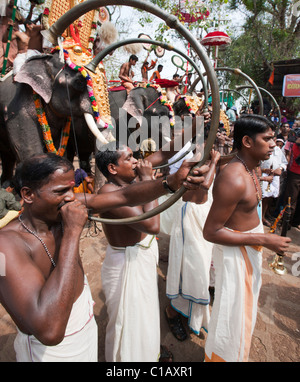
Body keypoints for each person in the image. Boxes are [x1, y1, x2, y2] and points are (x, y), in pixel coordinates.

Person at [0, 152, 206, 362]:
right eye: (61, 191)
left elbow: (124, 197)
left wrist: (170, 182)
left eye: (72, 188)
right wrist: (72, 233)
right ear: (28, 194)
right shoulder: (5, 246)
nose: (72, 197)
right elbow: (50, 332)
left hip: (84, 329)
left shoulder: (61, 206)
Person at [96, 132, 208, 362]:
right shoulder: (108, 192)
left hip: (142, 257)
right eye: (129, 158)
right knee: (130, 321)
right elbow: (152, 225)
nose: (136, 161)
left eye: (134, 156)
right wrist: (148, 179)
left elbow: (167, 152)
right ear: (113, 168)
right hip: (126, 263)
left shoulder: (131, 178)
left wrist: (196, 121)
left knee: (145, 313)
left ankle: (148, 353)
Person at [203, 115, 291, 362]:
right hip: (236, 256)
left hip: (247, 249)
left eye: (273, 138)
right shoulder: (233, 177)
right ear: (247, 141)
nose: (274, 144)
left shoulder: (251, 167)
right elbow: (210, 232)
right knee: (232, 317)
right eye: (267, 138)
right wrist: (264, 240)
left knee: (242, 314)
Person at [165, 149, 220, 341]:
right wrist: (214, 162)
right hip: (190, 233)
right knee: (188, 274)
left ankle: (189, 314)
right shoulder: (196, 179)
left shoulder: (212, 174)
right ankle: (171, 313)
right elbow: (204, 186)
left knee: (199, 275)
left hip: (203, 233)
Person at [283, 128, 300, 230]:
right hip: (295, 174)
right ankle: (286, 223)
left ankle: (295, 222)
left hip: (295, 174)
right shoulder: (295, 144)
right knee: (291, 200)